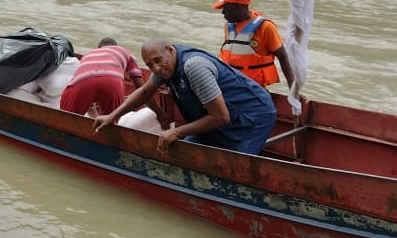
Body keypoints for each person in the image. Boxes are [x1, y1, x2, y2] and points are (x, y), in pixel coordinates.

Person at [95, 38, 277, 155]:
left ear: (170, 50)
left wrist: (176, 131)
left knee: (237, 168)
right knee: (182, 152)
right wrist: (112, 116)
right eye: (149, 65)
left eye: (158, 60)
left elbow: (220, 116)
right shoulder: (164, 68)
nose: (156, 68)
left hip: (254, 116)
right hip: (219, 117)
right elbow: (144, 92)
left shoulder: (193, 67)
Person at [212, 0, 294, 89]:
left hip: (254, 89)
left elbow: (282, 56)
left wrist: (293, 88)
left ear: (238, 6)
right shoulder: (228, 26)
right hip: (229, 86)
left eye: (225, 8)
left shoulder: (265, 27)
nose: (223, 12)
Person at [60, 37, 163, 118]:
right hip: (112, 82)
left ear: (98, 49)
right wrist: (159, 114)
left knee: (64, 119)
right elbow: (142, 89)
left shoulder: (89, 54)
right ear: (115, 47)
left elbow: (87, 86)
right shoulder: (125, 52)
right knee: (110, 124)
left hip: (83, 81)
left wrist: (96, 118)